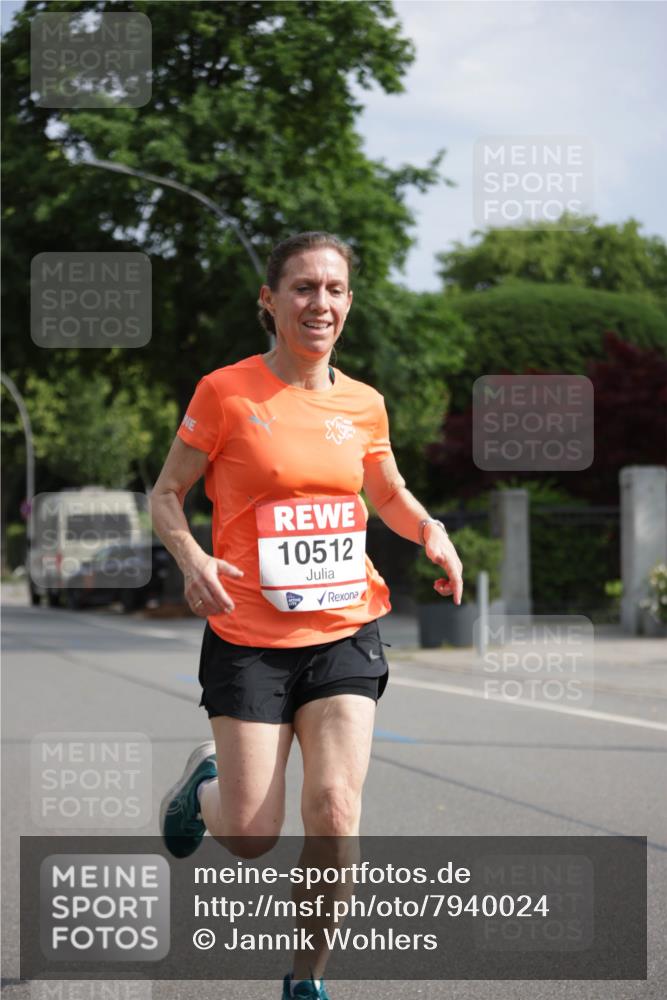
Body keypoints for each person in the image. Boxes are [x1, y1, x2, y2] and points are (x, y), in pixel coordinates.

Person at [152, 231, 463, 1000]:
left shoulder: (363, 403)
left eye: (332, 289)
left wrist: (430, 530)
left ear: (347, 303)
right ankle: (203, 785)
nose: (317, 303)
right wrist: (193, 560)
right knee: (252, 835)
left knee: (333, 808)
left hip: (344, 628)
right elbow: (165, 495)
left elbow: (383, 491)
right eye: (301, 288)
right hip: (248, 636)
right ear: (269, 301)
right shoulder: (225, 391)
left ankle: (305, 980)